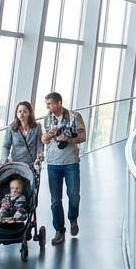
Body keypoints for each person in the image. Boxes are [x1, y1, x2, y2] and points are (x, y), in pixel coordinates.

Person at [41, 91, 86, 245]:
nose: (47, 107)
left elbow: (83, 136)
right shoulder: (47, 119)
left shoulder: (74, 116)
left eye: (50, 104)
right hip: (53, 163)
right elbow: (43, 140)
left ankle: (73, 218)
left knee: (74, 195)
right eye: (47, 104)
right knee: (55, 200)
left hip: (71, 162)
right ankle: (59, 230)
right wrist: (48, 135)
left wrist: (68, 139)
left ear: (59, 103)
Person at [2, 101, 42, 165]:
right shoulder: (12, 128)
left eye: (25, 112)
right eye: (19, 111)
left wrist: (39, 157)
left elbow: (39, 145)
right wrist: (4, 158)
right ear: (16, 113)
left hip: (31, 163)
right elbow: (6, 145)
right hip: (16, 163)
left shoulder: (36, 127)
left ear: (29, 113)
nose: (21, 114)